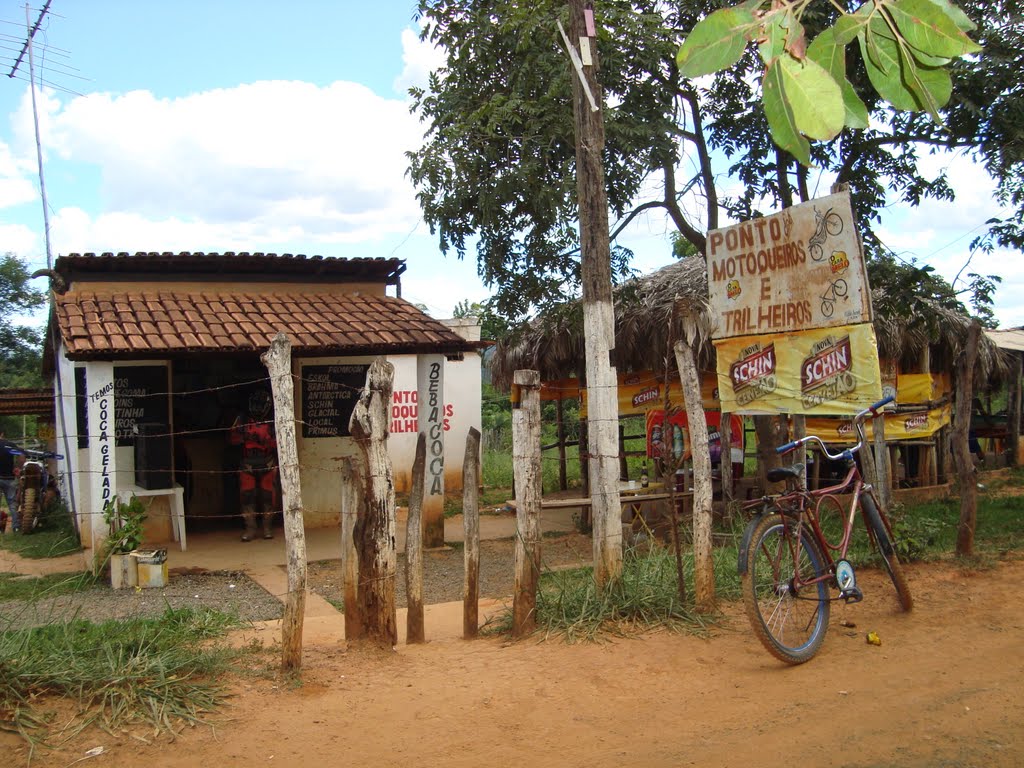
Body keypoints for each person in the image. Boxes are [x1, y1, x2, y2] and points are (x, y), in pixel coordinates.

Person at [229, 390, 278, 542]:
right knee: (247, 496)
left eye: (261, 405)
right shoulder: (241, 419)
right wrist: (245, 436)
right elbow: (232, 439)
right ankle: (250, 528)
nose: (257, 408)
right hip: (247, 463)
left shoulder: (274, 420)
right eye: (255, 405)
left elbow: (281, 442)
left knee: (268, 496)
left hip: (268, 462)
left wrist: (264, 441)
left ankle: (267, 528)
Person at [0, 432, 20, 533]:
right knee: (12, 504)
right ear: (2, 434)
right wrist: (18, 468)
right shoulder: (10, 445)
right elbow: (22, 456)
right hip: (9, 478)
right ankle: (16, 527)